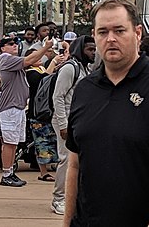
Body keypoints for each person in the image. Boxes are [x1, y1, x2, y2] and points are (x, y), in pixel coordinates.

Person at [64, 0, 149, 227]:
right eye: (103, 32)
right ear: (94, 35)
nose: (111, 39)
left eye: (119, 30)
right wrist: (67, 222)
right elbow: (75, 164)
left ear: (137, 33)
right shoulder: (85, 90)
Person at [0, 35, 53, 187]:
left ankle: (10, 173)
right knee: (9, 142)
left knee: (13, 143)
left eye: (15, 43)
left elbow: (33, 61)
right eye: (10, 44)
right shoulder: (5, 58)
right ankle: (6, 174)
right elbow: (29, 60)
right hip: (11, 107)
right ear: (2, 48)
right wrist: (46, 47)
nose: (14, 45)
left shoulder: (13, 62)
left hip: (17, 107)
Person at [51, 35, 95, 216]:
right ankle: (58, 199)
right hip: (66, 121)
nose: (93, 52)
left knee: (79, 161)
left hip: (79, 121)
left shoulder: (85, 68)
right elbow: (58, 97)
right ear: (80, 50)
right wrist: (63, 125)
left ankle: (73, 197)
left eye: (94, 49)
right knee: (66, 160)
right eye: (90, 49)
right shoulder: (70, 68)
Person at [24, 49, 59, 182]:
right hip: (38, 111)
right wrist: (54, 62)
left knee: (52, 140)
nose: (39, 58)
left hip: (49, 110)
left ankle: (52, 166)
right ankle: (43, 172)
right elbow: (44, 80)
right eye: (35, 56)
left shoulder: (41, 69)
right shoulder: (30, 73)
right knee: (41, 142)